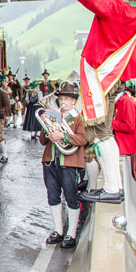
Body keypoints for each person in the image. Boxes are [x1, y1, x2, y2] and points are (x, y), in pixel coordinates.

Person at [41, 0, 136, 203]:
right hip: (116, 76)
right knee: (104, 132)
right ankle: (114, 186)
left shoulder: (116, 7)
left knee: (102, 134)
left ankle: (112, 187)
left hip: (103, 76)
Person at [39, 84, 88, 249]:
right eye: (61, 99)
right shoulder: (54, 115)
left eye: (66, 99)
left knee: (71, 196)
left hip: (69, 162)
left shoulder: (78, 118)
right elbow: (43, 141)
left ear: (74, 101)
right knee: (53, 196)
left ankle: (71, 233)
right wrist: (45, 126)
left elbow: (83, 139)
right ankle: (58, 230)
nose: (63, 102)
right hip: (50, 160)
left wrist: (63, 135)